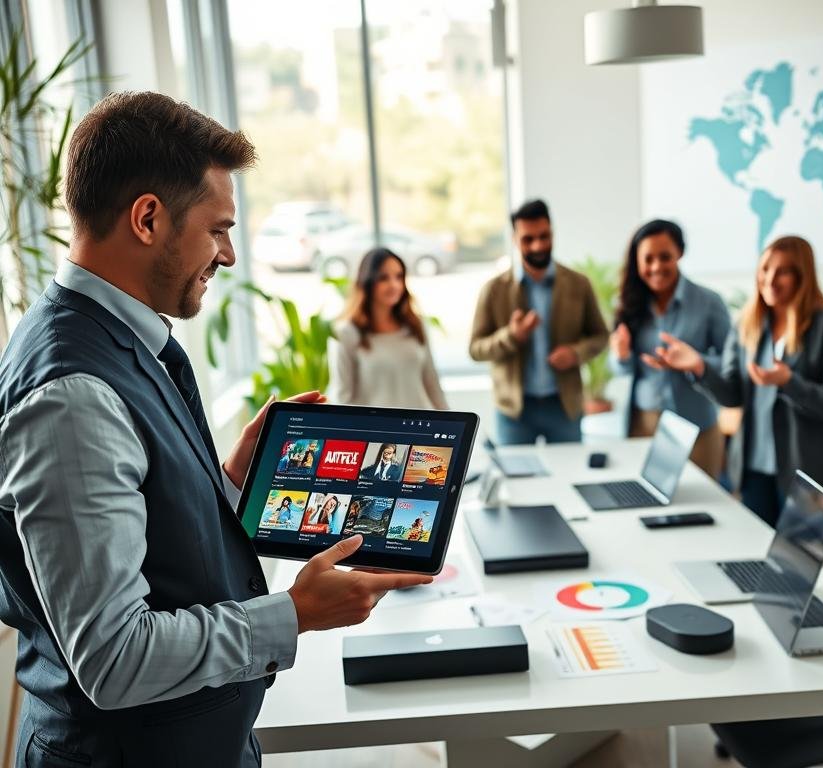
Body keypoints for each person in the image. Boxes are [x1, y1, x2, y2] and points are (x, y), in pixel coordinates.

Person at [0, 91, 432, 767]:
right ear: (148, 218)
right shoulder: (73, 395)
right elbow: (115, 658)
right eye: (219, 228)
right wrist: (295, 613)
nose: (228, 255)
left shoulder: (123, 344)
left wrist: (225, 480)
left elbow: (147, 540)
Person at [648, 236, 823, 527]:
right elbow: (732, 394)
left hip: (806, 471)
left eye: (782, 271)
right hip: (752, 469)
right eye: (765, 269)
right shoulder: (748, 323)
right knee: (755, 560)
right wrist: (699, 366)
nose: (770, 279)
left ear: (801, 277)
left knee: (797, 567)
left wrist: (789, 382)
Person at [469, 199, 609, 444]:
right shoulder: (493, 290)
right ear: (514, 239)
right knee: (515, 481)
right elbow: (476, 349)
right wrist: (511, 336)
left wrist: (575, 353)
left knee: (569, 474)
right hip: (514, 410)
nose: (538, 246)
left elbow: (601, 336)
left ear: (552, 233)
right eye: (528, 239)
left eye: (544, 236)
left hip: (564, 405)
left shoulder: (579, 284)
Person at [610, 219, 731, 478]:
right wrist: (621, 356)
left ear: (680, 253)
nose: (656, 267)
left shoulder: (709, 302)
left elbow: (731, 365)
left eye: (665, 257)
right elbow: (621, 370)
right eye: (648, 259)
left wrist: (697, 363)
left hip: (697, 428)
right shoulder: (629, 303)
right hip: (645, 426)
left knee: (705, 510)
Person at [329, 248, 448, 409]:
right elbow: (343, 397)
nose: (394, 285)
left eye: (399, 276)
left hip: (419, 428)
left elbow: (432, 383)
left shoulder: (415, 325)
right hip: (376, 431)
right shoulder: (346, 333)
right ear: (367, 282)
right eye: (383, 278)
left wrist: (450, 426)